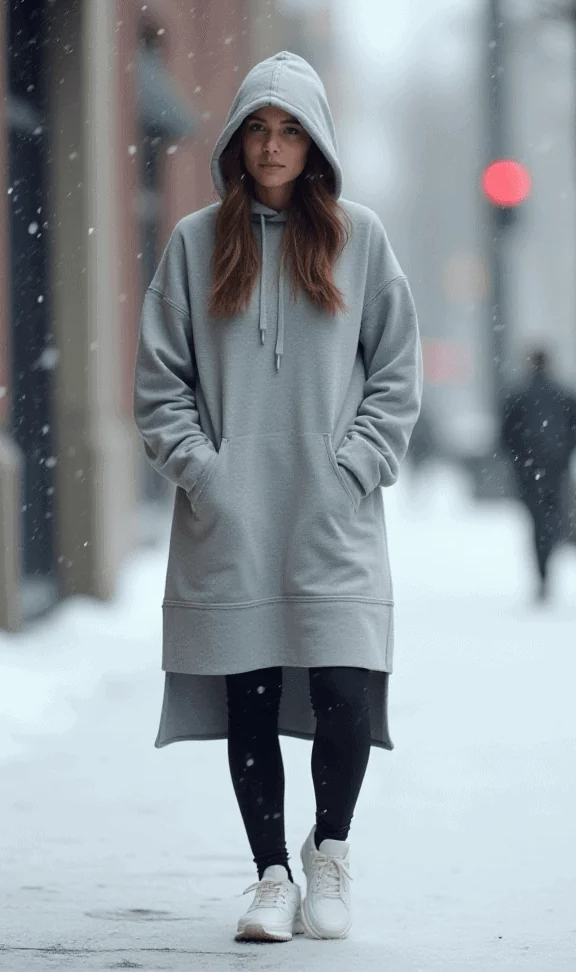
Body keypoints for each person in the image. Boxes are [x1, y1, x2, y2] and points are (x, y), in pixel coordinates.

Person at [133, 51, 423, 943]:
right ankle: (268, 874)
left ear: (316, 143)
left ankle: (328, 852)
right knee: (249, 699)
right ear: (235, 140)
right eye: (257, 127)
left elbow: (397, 374)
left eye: (289, 128)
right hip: (233, 521)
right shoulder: (192, 244)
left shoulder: (359, 239)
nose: (271, 145)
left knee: (342, 688)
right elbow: (159, 384)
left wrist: (355, 466)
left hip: (331, 516)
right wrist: (207, 473)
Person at [500, 348, 576, 600]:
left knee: (537, 520)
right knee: (553, 517)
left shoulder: (518, 395)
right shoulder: (564, 395)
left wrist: (519, 459)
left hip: (528, 470)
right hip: (556, 469)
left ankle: (542, 568)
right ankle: (549, 551)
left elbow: (506, 435)